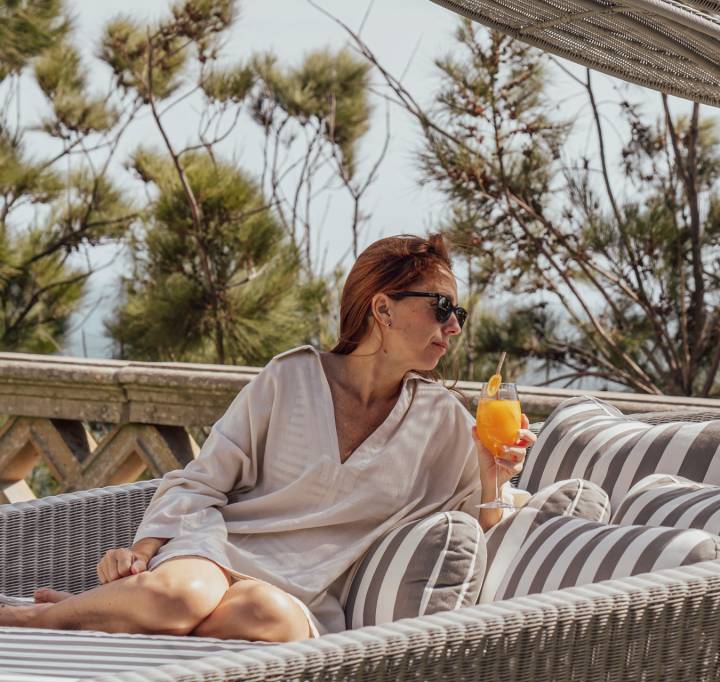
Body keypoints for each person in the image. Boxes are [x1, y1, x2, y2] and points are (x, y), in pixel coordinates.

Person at [0, 233, 534, 642]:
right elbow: (202, 481)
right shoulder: (290, 378)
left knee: (267, 616)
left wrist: (495, 473)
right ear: (382, 307)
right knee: (183, 596)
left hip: (302, 594)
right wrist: (141, 552)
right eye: (441, 307)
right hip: (216, 553)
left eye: (458, 312)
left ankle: (116, 617)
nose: (455, 326)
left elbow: (479, 530)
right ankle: (32, 619)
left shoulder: (441, 421)